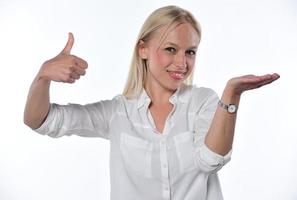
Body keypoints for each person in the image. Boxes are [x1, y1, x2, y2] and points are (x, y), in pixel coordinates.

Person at [23, 5, 280, 200]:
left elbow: (210, 160)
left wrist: (231, 96)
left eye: (190, 51)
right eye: (171, 49)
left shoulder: (204, 101)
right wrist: (43, 76)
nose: (182, 63)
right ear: (143, 49)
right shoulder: (118, 113)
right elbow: (40, 121)